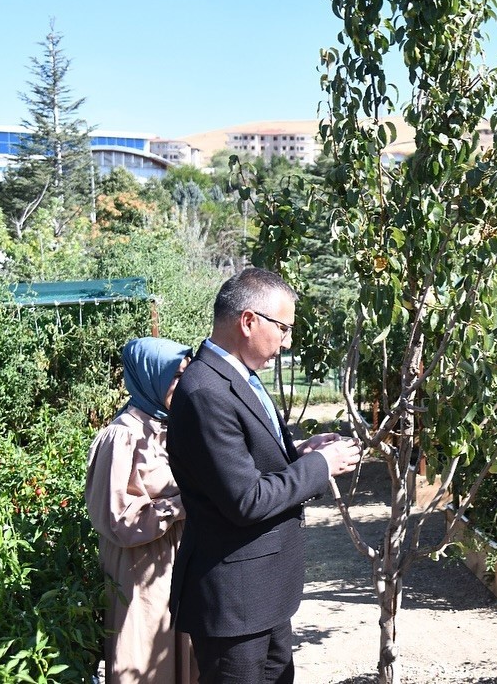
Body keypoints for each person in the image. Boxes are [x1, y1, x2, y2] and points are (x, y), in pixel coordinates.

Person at [166, 267, 361, 684]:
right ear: (249, 321)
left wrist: (299, 452)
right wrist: (320, 466)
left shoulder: (240, 377)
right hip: (234, 601)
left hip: (263, 592)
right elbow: (245, 499)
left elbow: (248, 461)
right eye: (283, 328)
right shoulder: (206, 392)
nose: (287, 341)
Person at [85, 336, 198, 684]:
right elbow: (117, 518)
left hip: (176, 565)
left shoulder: (168, 428)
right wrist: (184, 505)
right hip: (141, 571)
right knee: (146, 663)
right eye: (175, 377)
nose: (185, 386)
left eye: (186, 375)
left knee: (184, 660)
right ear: (152, 378)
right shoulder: (122, 437)